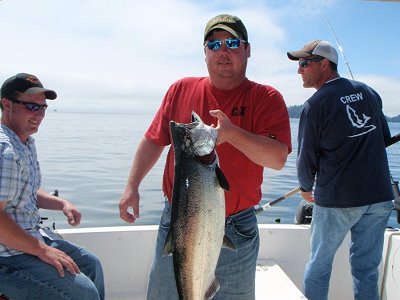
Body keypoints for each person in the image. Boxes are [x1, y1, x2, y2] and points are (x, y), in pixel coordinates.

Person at [119, 14, 291, 299]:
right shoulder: (180, 89)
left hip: (237, 227)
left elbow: (277, 159)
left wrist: (233, 134)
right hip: (179, 220)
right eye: (214, 44)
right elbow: (153, 140)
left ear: (247, 50)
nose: (223, 51)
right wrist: (131, 186)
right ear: (205, 52)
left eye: (232, 43)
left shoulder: (266, 98)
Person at [287, 40, 394, 300]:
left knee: (319, 265)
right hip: (380, 197)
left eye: (304, 63)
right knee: (367, 269)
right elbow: (385, 137)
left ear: (324, 64)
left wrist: (304, 187)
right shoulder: (369, 92)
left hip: (338, 201)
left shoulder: (315, 105)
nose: (299, 70)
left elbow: (306, 158)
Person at [0, 73, 105, 299]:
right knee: (83, 293)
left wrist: (62, 204)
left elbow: (23, 191)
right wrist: (42, 250)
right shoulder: (5, 150)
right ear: (6, 104)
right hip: (6, 256)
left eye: (43, 108)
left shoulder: (24, 142)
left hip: (30, 238)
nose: (39, 115)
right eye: (31, 106)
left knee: (90, 265)